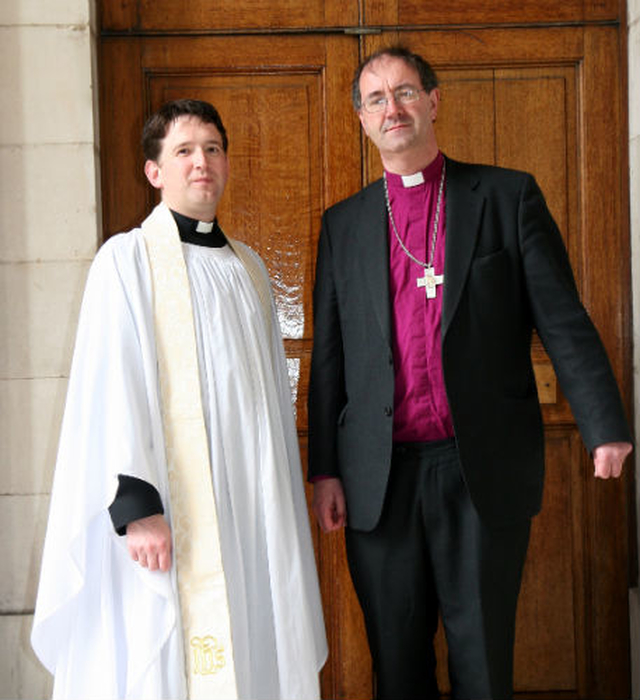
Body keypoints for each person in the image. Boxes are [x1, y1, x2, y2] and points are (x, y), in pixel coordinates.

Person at [307, 46, 632, 700]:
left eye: (404, 92)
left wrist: (603, 424)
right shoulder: (343, 225)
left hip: (478, 465)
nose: (391, 108)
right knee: (396, 664)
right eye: (375, 99)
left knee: (482, 659)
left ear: (432, 101)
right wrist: (325, 469)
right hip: (380, 477)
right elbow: (331, 358)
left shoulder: (506, 196)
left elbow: (561, 317)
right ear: (362, 121)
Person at [31, 99, 327, 700]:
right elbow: (111, 382)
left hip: (247, 505)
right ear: (154, 171)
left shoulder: (250, 268)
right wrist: (137, 506)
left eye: (213, 150)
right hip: (167, 511)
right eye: (184, 151)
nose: (202, 164)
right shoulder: (127, 259)